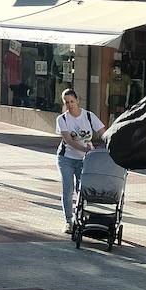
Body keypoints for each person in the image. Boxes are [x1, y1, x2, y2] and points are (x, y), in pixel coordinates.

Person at [54, 88, 105, 232]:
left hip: (85, 160)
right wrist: (85, 149)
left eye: (72, 101)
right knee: (68, 189)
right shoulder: (62, 119)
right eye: (66, 102)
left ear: (77, 100)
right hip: (66, 158)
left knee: (81, 190)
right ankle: (68, 221)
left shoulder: (89, 116)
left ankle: (80, 217)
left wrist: (111, 143)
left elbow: (102, 132)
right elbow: (68, 140)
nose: (70, 105)